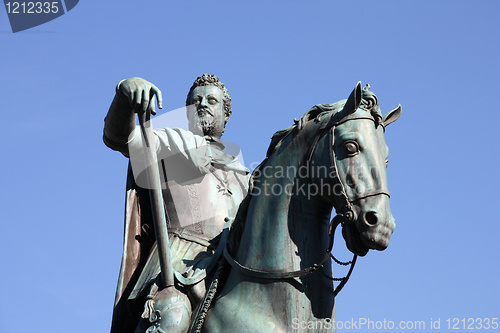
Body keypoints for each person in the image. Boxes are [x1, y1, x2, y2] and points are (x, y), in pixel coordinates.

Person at [103, 74, 249, 333]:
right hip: (178, 263)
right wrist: (124, 94)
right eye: (196, 101)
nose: (202, 104)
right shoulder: (168, 143)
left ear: (226, 115)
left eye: (211, 100)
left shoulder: (242, 173)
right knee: (173, 314)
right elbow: (120, 138)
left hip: (229, 267)